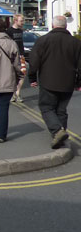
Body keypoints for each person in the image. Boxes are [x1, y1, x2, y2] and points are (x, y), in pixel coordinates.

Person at [28, 14, 81, 149]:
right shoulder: (76, 43)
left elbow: (34, 62)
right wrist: (78, 82)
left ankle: (57, 131)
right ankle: (60, 138)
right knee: (61, 110)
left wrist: (32, 78)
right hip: (68, 81)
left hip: (48, 81)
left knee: (46, 107)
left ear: (52, 25)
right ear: (66, 26)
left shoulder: (43, 40)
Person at [6, 14, 26, 102]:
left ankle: (17, 93)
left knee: (22, 74)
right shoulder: (9, 31)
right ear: (15, 21)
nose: (23, 23)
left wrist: (22, 54)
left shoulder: (21, 31)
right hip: (12, 56)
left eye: (23, 21)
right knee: (12, 75)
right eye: (21, 21)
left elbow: (21, 44)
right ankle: (12, 94)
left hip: (21, 55)